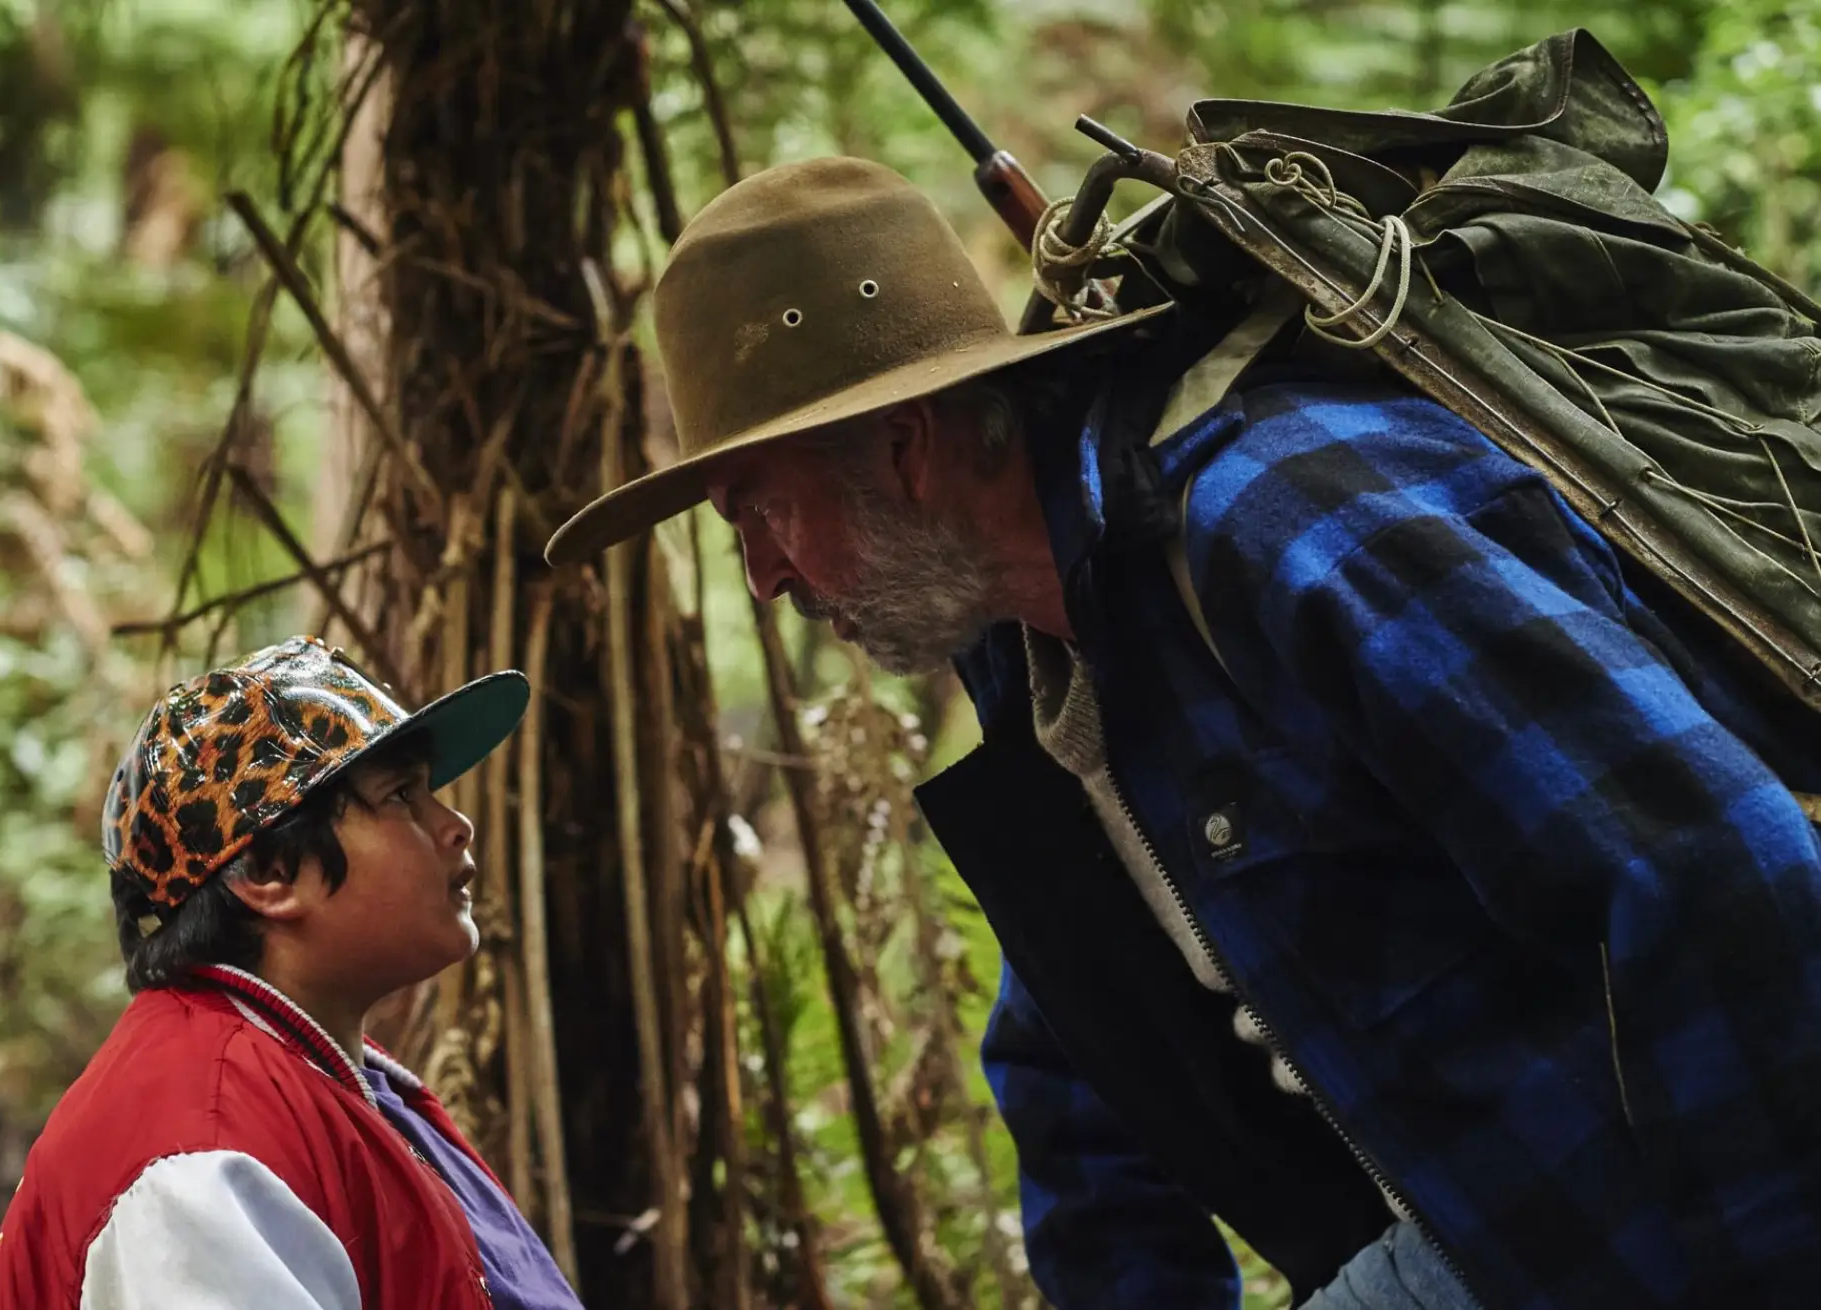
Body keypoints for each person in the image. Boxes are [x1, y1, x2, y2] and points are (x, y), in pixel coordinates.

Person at [544, 156, 1821, 1309]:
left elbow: (1711, 867)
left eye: (758, 513)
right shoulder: (1024, 651)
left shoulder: (1287, 523)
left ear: (907, 445)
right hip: (1478, 1230)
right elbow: (1079, 1069)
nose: (764, 578)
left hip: (1672, 1228)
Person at [0, 636, 583, 1310]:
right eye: (402, 796)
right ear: (268, 873)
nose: (456, 825)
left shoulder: (325, 1080)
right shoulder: (200, 1158)